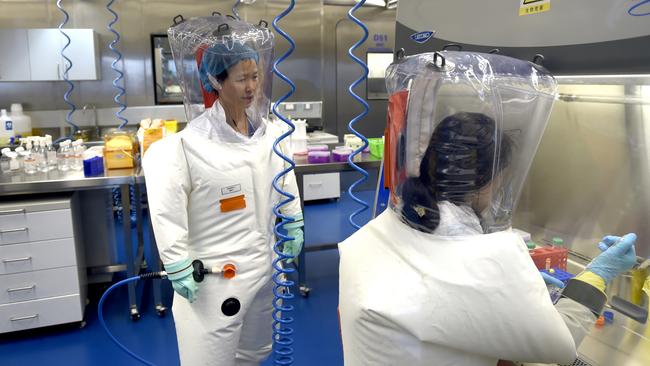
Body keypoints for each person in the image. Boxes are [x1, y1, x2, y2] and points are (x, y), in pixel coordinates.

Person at [338, 51, 638, 366]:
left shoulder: (387, 227)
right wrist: (599, 274)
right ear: (487, 180)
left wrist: (514, 291)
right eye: (500, 179)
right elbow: (561, 345)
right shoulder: (482, 256)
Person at [143, 16, 304, 366]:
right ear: (216, 81)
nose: (251, 87)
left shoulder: (273, 136)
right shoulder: (183, 147)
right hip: (214, 279)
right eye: (241, 78)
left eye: (255, 76)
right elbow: (166, 209)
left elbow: (285, 180)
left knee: (254, 352)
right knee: (210, 358)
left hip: (264, 269)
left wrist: (293, 221)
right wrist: (176, 262)